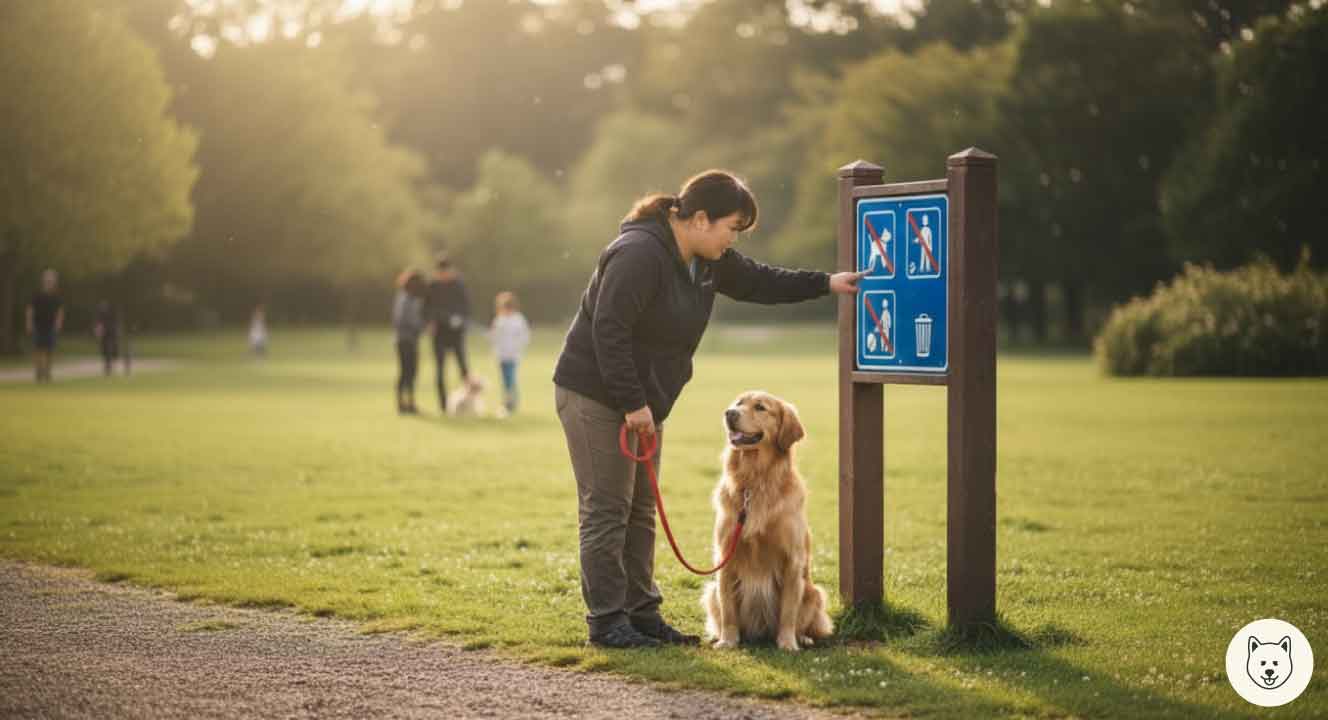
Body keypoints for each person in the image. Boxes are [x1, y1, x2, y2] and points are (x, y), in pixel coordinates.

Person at [552, 170, 865, 649]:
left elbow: (762, 281)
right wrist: (632, 402)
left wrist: (827, 282)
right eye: (731, 228)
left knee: (640, 511)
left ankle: (642, 615)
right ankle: (608, 623)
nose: (731, 240)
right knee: (607, 511)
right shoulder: (638, 254)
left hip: (642, 402)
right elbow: (608, 331)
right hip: (596, 395)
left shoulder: (707, 261)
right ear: (699, 219)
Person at [423, 253, 472, 414]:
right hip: (439, 333)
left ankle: (469, 403)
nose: (443, 275)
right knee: (440, 369)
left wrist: (460, 318)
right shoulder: (432, 286)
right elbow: (426, 309)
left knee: (463, 368)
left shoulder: (458, 285)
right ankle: (443, 406)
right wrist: (430, 322)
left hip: (456, 333)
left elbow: (465, 306)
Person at [392, 268, 428, 414]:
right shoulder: (406, 299)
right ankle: (403, 404)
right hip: (405, 340)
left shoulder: (408, 298)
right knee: (407, 372)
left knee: (410, 372)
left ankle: (409, 403)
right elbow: (404, 320)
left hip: (409, 340)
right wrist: (421, 327)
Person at [490, 291, 531, 414]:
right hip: (501, 355)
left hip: (513, 355)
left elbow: (525, 336)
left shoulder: (518, 320)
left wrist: (517, 347)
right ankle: (507, 403)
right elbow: (494, 337)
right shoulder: (499, 320)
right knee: (505, 380)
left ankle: (512, 404)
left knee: (510, 379)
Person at [25, 269, 64, 383]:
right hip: (38, 325)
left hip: (51, 326)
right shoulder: (37, 294)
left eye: (52, 280)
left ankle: (47, 373)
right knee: (38, 349)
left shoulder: (56, 296)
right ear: (43, 280)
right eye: (48, 279)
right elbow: (30, 309)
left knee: (50, 350)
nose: (50, 282)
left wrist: (58, 323)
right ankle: (39, 372)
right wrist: (29, 323)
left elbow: (60, 311)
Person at [93, 300, 121, 376]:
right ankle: (108, 364)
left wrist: (98, 330)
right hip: (106, 331)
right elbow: (98, 323)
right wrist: (98, 331)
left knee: (111, 346)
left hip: (111, 330)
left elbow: (116, 323)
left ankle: (110, 362)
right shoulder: (100, 313)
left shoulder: (113, 313)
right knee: (105, 347)